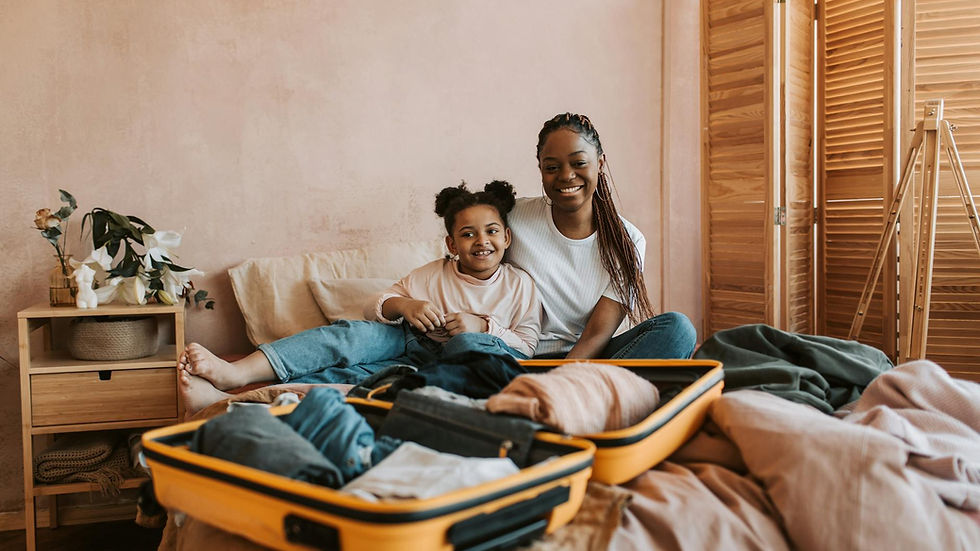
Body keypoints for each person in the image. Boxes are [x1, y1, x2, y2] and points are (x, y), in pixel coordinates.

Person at [178, 180, 541, 412]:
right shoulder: (433, 273)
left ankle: (238, 403)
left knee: (453, 351)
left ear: (506, 238)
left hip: (454, 368)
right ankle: (235, 380)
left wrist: (484, 326)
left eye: (492, 231)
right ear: (451, 244)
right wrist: (405, 305)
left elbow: (527, 346)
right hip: (412, 348)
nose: (482, 241)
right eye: (468, 234)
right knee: (353, 337)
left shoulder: (519, 284)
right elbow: (375, 306)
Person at [505, 112, 697, 359]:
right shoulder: (512, 216)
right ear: (540, 168)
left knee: (678, 330)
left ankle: (563, 392)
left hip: (586, 358)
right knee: (466, 343)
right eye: (552, 167)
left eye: (579, 163)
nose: (566, 176)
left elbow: (597, 334)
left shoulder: (628, 240)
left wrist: (563, 379)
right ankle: (594, 394)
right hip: (518, 356)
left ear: (600, 163)